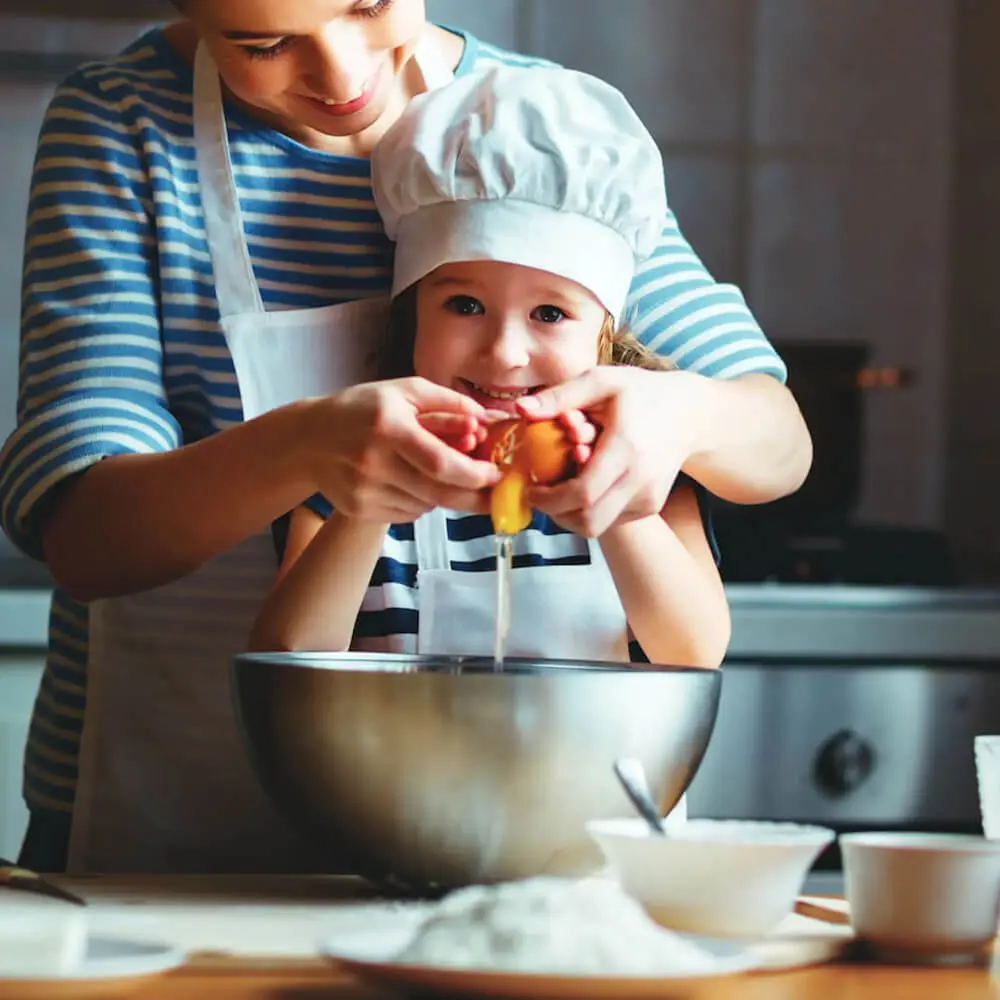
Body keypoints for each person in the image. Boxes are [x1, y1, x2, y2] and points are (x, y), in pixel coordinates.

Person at [0, 0, 809, 875]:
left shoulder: (539, 132)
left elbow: (776, 443)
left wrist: (678, 416)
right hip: (184, 817)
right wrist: (311, 456)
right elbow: (85, 537)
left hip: (544, 846)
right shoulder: (121, 128)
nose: (344, 76)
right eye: (263, 43)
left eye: (368, 5)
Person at [249, 63, 731, 673]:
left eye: (550, 313)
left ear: (605, 335)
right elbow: (288, 659)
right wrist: (370, 507)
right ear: (411, 313)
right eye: (465, 305)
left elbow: (694, 651)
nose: (505, 352)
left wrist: (612, 503)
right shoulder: (352, 466)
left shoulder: (647, 468)